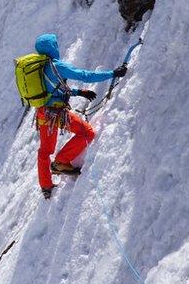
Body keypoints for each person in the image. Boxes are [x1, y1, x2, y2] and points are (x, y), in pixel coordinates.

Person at [33, 33, 127, 199]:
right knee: (86, 132)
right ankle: (61, 162)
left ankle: (46, 187)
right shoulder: (57, 66)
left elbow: (52, 89)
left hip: (42, 113)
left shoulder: (37, 69)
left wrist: (78, 92)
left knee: (44, 151)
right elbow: (85, 75)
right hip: (57, 114)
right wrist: (113, 73)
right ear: (53, 48)